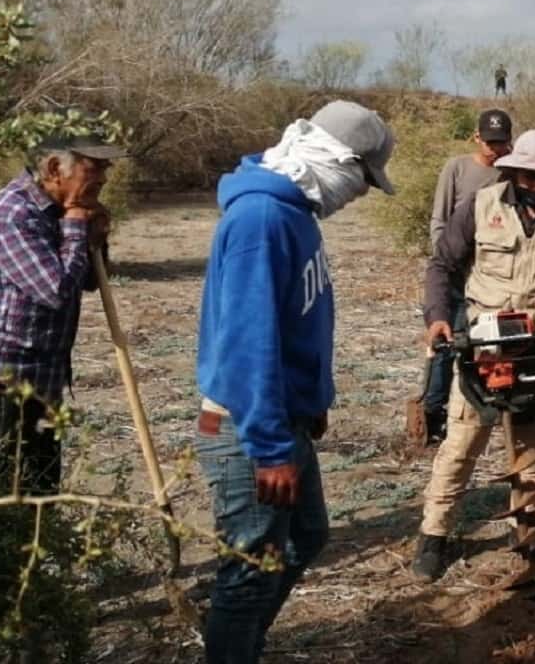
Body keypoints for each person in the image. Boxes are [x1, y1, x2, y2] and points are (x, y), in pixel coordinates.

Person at [195, 100, 395, 664]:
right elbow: (247, 344)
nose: (358, 193)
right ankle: (234, 649)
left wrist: (313, 400)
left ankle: (243, 646)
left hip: (287, 418)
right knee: (247, 575)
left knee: (307, 537)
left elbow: (296, 317)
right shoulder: (262, 219)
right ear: (335, 159)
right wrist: (268, 447)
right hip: (248, 429)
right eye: (361, 179)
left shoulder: (294, 214)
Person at [413, 129, 535, 581]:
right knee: (461, 445)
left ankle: (526, 534)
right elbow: (442, 265)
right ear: (513, 170)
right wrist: (438, 317)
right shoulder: (480, 207)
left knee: (531, 451)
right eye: (530, 176)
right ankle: (433, 535)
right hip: (485, 348)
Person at [0, 132, 124, 494]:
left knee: (39, 493)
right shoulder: (13, 214)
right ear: (54, 168)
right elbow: (56, 291)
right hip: (6, 380)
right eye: (94, 168)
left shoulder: (59, 211)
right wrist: (77, 224)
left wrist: (95, 236)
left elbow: (89, 282)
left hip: (44, 377)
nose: (104, 178)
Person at [412, 108, 514, 444]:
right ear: (476, 137)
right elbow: (439, 220)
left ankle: (488, 407)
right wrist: (447, 262)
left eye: (501, 142)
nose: (494, 149)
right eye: (489, 142)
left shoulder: (511, 172)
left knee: (490, 343)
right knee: (446, 343)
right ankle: (433, 411)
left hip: (492, 278)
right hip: (456, 272)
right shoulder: (457, 168)